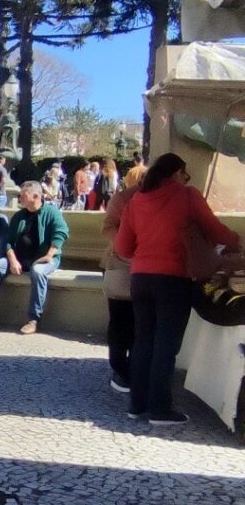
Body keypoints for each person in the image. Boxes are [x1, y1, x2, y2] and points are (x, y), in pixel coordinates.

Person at [115, 153, 241, 426]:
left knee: (143, 341)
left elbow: (123, 247)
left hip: (141, 279)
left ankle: (137, 405)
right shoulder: (187, 196)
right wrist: (237, 241)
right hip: (173, 279)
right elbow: (216, 231)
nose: (186, 180)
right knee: (165, 345)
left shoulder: (137, 200)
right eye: (184, 175)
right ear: (177, 172)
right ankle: (160, 409)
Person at [0, 181, 68, 335]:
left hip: (44, 258)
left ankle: (34, 319)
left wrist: (49, 255)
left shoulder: (51, 212)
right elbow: (9, 241)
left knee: (38, 272)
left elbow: (61, 232)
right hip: (20, 257)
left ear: (36, 196)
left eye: (23, 196)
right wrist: (12, 259)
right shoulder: (19, 216)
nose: (19, 198)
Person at [99, 164, 145, 394]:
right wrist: (126, 247)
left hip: (145, 267)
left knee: (138, 323)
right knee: (120, 320)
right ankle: (119, 368)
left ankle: (132, 370)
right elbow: (107, 227)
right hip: (122, 265)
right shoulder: (124, 198)